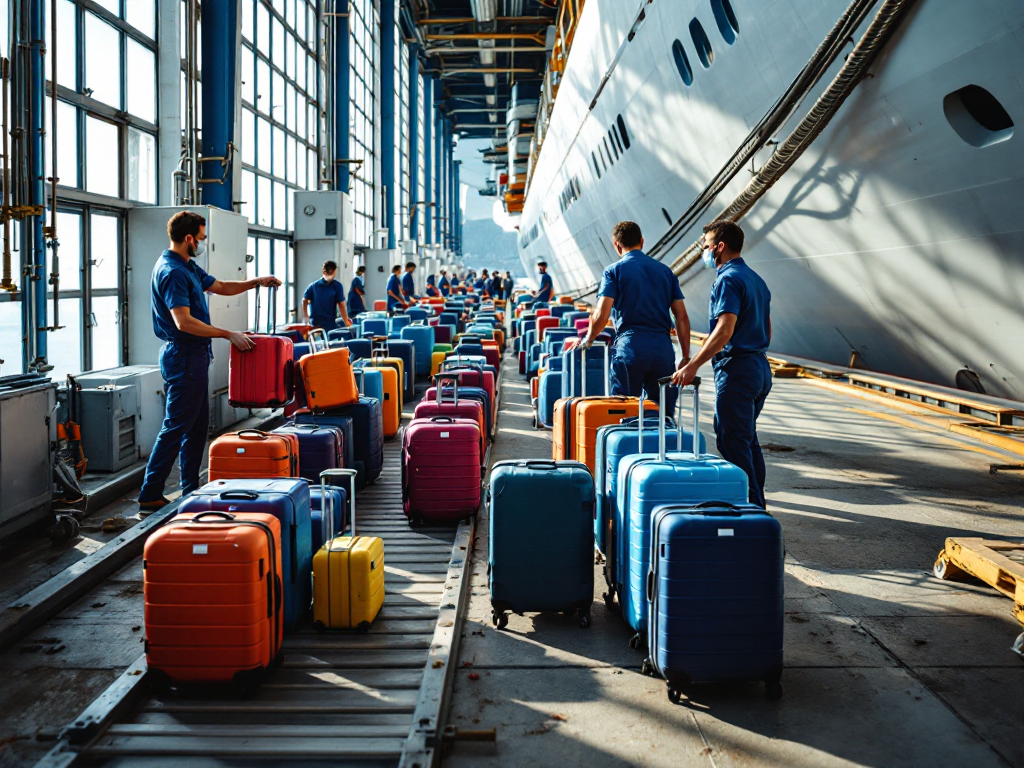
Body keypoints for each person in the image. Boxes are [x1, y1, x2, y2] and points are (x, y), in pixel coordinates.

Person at [138, 211, 281, 513]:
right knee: (176, 426)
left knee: (197, 427)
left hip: (194, 356)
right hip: (184, 355)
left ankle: (190, 487)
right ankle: (150, 492)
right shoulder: (172, 272)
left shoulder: (187, 266)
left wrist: (256, 281)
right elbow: (183, 321)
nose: (203, 243)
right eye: (201, 239)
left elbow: (221, 287)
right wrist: (229, 334)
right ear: (188, 238)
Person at [673, 221, 772, 508]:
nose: (704, 251)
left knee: (733, 443)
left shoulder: (728, 279)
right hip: (759, 367)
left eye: (706, 246)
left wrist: (693, 364)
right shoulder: (756, 279)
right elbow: (766, 328)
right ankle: (757, 504)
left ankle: (750, 510)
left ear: (720, 247)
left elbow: (725, 329)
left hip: (738, 370)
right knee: (747, 441)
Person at [572, 221, 690, 415]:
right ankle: (661, 445)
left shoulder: (613, 271)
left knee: (624, 411)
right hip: (663, 350)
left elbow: (602, 314)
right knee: (662, 414)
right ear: (642, 242)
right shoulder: (665, 272)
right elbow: (682, 317)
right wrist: (685, 357)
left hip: (631, 348)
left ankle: (629, 444)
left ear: (617, 245)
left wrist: (589, 339)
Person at [302, 260, 351, 329]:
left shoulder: (336, 286)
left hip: (324, 322)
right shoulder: (314, 287)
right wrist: (346, 321)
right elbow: (341, 305)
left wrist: (306, 317)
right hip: (319, 323)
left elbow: (304, 301)